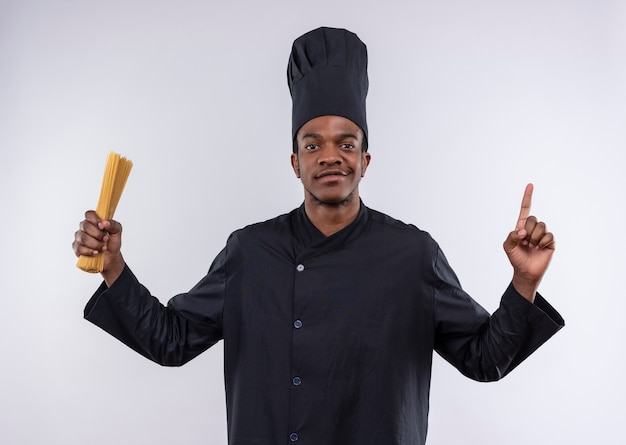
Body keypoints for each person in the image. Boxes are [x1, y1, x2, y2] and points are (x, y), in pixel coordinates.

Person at [72, 27, 564, 445]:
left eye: (346, 143)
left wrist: (524, 284)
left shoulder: (413, 255)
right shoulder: (250, 252)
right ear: (296, 162)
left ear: (364, 160)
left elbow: (484, 358)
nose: (331, 155)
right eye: (313, 144)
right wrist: (113, 265)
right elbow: (171, 340)